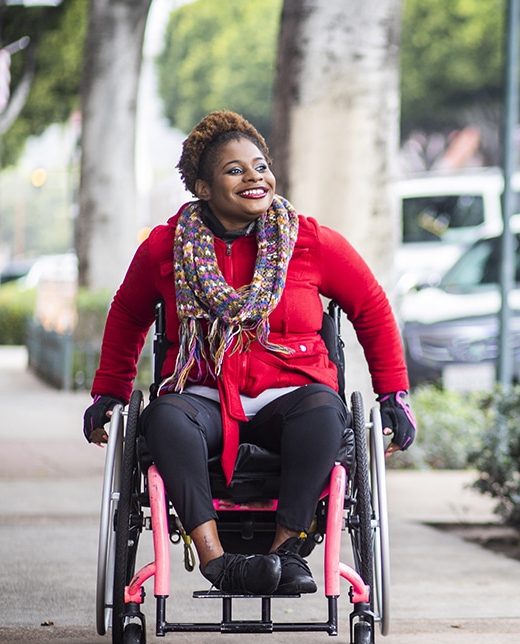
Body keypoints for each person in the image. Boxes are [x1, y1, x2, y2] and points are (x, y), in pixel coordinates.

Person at [82, 110, 415, 596]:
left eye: (260, 166)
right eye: (235, 170)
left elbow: (372, 307)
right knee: (165, 421)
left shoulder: (309, 240)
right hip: (203, 396)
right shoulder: (164, 249)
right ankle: (220, 563)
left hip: (293, 397)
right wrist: (109, 395)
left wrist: (394, 395)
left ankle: (286, 552)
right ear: (202, 187)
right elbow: (128, 315)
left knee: (327, 414)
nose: (255, 177)